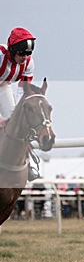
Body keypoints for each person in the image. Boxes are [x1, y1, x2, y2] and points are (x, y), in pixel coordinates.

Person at [1, 27, 39, 180]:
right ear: (12, 50)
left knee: (16, 124)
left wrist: (16, 114)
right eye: (21, 53)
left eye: (28, 54)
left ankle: (27, 165)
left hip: (3, 87)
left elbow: (23, 90)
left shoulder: (29, 63)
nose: (24, 57)